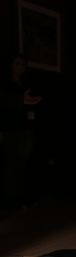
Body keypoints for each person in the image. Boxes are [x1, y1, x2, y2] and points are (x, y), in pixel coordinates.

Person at [0, 54, 41, 207]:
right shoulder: (5, 84)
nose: (20, 67)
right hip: (11, 129)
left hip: (26, 128)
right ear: (11, 65)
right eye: (17, 64)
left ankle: (20, 196)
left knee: (23, 163)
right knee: (12, 163)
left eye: (23, 64)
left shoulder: (26, 84)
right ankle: (11, 198)